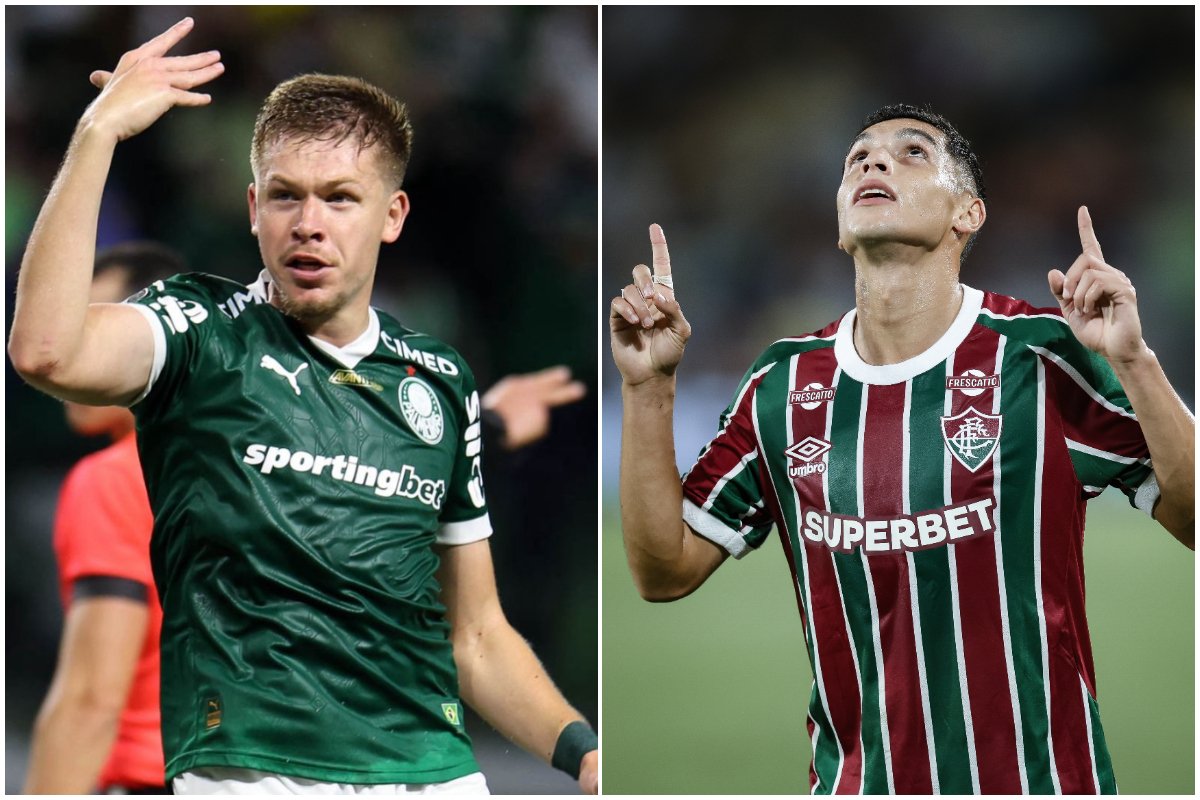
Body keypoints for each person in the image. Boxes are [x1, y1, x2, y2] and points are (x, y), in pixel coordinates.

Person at [10, 17, 597, 794]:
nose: (308, 224)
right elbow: (45, 352)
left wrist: (584, 753)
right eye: (285, 196)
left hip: (435, 772)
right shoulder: (198, 333)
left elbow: (478, 637)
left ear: (392, 216)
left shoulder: (438, 381)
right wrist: (97, 136)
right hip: (255, 773)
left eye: (340, 198)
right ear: (254, 207)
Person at [610, 103, 1192, 794]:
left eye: (911, 152)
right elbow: (663, 571)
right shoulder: (783, 384)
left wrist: (1135, 361)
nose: (872, 161)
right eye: (856, 157)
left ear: (967, 214)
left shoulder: (1040, 353)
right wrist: (649, 390)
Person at [23, 243, 183, 795]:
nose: (65, 345)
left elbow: (91, 701)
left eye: (92, 324)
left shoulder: (114, 478)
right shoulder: (250, 463)